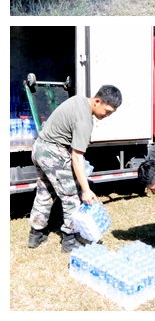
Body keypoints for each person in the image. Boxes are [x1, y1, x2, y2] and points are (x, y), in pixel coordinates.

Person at [28, 85, 122, 253]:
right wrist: (85, 190)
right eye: (107, 111)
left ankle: (36, 234)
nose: (107, 115)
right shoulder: (84, 121)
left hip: (40, 148)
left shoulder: (79, 100)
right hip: (53, 153)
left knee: (45, 191)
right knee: (71, 196)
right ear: (97, 101)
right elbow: (76, 157)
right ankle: (69, 240)